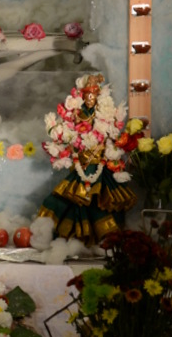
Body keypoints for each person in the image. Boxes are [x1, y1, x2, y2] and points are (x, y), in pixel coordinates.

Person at [38, 74, 137, 246]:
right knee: (63, 201)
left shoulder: (106, 116)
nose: (90, 99)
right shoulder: (76, 115)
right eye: (87, 95)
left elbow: (113, 141)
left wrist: (113, 154)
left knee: (100, 203)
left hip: (100, 169)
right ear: (82, 96)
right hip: (81, 168)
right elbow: (68, 140)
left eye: (93, 95)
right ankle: (62, 236)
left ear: (98, 96)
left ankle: (104, 242)